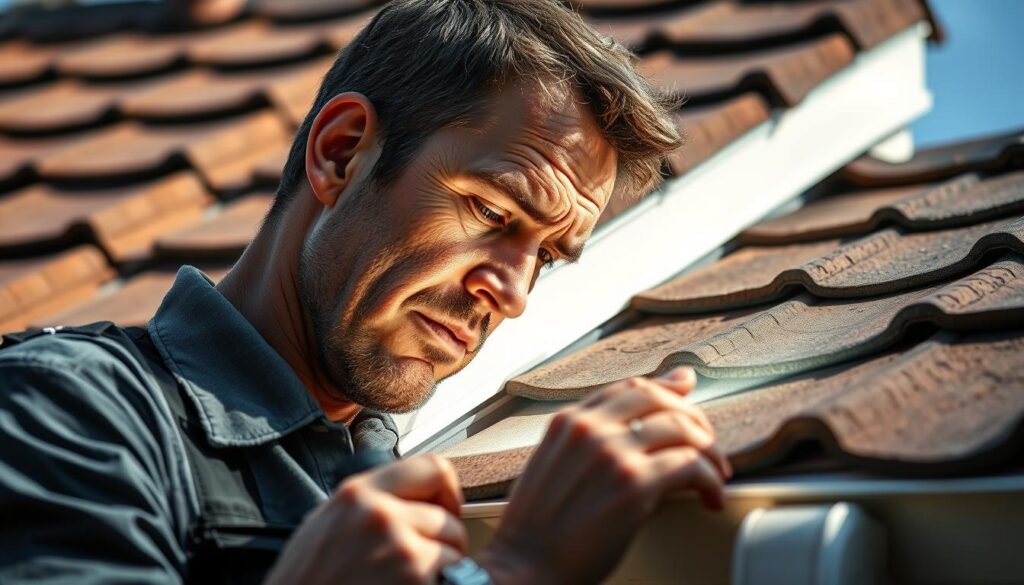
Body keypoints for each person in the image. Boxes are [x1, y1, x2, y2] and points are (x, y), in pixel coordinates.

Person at [0, 1, 731, 583]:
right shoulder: (70, 412)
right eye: (491, 212)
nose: (510, 292)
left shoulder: (411, 478)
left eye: (546, 254)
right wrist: (514, 569)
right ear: (341, 152)